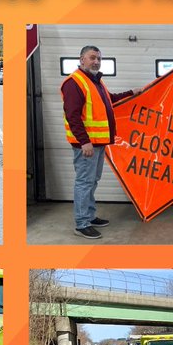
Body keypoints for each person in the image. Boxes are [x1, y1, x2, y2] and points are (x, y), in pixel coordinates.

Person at [62, 45, 135, 239]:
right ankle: (81, 224)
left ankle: (89, 216)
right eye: (92, 57)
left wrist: (131, 93)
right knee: (84, 182)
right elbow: (73, 116)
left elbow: (109, 100)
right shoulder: (74, 83)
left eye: (98, 59)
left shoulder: (95, 82)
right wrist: (84, 141)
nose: (96, 61)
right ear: (81, 59)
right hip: (86, 145)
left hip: (98, 142)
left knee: (92, 181)